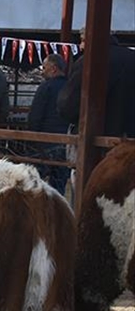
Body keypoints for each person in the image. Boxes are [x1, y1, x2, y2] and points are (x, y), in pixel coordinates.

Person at [57, 30, 135, 138]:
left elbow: (68, 104)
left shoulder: (88, 61)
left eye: (83, 41)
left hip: (94, 135)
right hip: (130, 135)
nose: (81, 47)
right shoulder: (131, 57)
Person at [24, 54, 71, 194]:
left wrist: (32, 138)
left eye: (44, 68)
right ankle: (57, 204)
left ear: (53, 68)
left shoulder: (45, 87)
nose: (42, 71)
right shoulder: (70, 87)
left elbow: (35, 116)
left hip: (44, 142)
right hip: (65, 142)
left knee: (35, 182)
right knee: (59, 184)